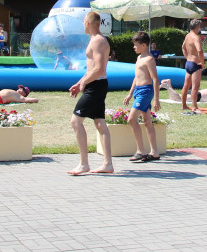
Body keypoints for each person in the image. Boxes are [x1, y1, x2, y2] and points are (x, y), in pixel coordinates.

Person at [67, 11, 113, 175]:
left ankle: (84, 164)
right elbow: (92, 68)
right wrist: (79, 83)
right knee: (99, 123)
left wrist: (84, 83)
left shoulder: (98, 41)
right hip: (96, 84)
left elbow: (99, 69)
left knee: (75, 121)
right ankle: (107, 164)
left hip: (96, 85)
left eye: (83, 21)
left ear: (87, 22)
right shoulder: (95, 40)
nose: (82, 24)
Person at [122, 32, 161, 163]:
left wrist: (156, 99)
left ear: (144, 45)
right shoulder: (139, 58)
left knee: (132, 119)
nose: (134, 47)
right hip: (138, 91)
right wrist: (129, 93)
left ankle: (141, 151)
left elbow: (155, 79)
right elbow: (136, 77)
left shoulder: (149, 59)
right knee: (147, 122)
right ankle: (154, 152)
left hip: (146, 91)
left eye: (136, 45)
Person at [180, 20, 204, 112]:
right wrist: (202, 62)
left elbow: (183, 47)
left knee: (186, 86)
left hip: (188, 63)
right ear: (197, 26)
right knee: (195, 87)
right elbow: (199, 51)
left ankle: (183, 105)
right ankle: (195, 107)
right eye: (200, 26)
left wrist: (187, 57)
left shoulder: (187, 36)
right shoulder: (195, 37)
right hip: (195, 64)